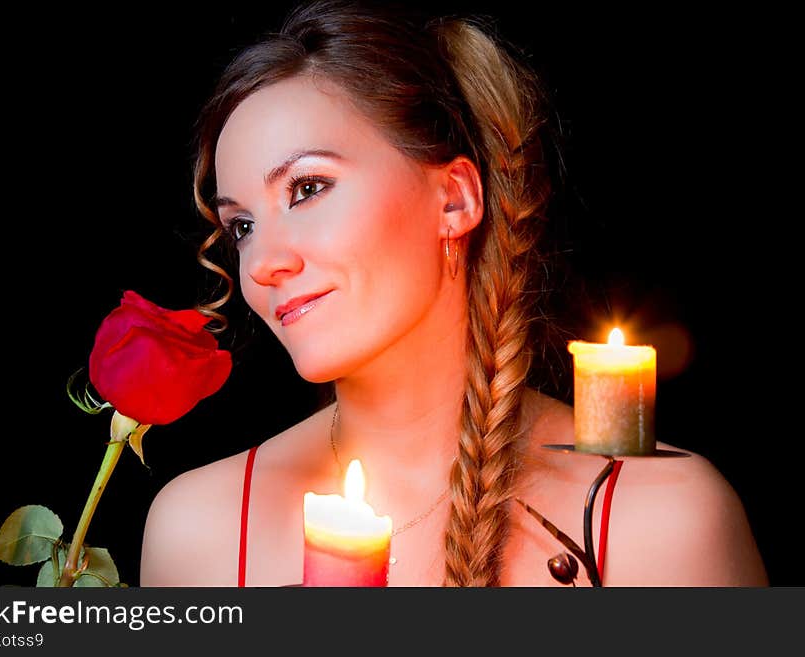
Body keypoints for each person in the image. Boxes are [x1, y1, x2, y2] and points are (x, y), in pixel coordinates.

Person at [139, 0, 767, 587]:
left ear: (455, 198)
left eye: (307, 188)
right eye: (241, 227)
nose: (265, 264)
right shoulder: (198, 530)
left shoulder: (660, 520)